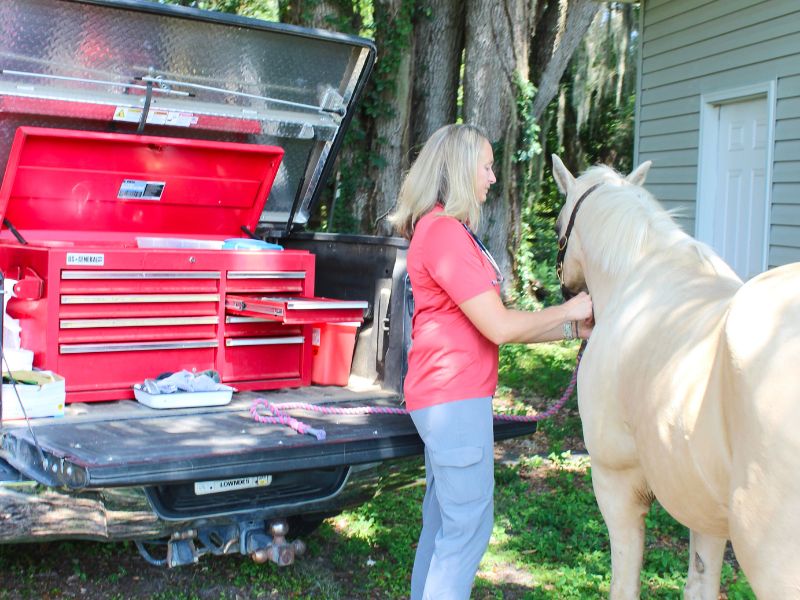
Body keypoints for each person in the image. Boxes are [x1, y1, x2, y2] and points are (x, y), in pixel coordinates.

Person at [389, 123, 593, 600]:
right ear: (462, 171)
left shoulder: (445, 230)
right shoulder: (443, 235)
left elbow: (494, 324)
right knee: (465, 535)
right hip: (453, 401)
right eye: (485, 166)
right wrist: (569, 309)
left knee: (444, 528)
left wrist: (569, 328)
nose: (492, 178)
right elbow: (499, 326)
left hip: (447, 399)